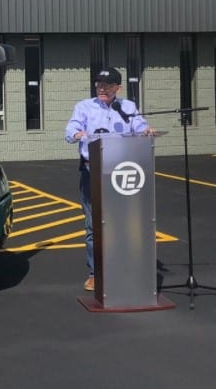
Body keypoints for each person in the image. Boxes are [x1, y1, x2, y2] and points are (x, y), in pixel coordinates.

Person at [64, 67, 153, 292]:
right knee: (94, 225)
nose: (102, 88)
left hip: (121, 173)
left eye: (108, 85)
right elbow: (70, 129)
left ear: (118, 88)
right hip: (91, 171)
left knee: (123, 223)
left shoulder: (128, 107)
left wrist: (145, 131)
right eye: (99, 84)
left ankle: (124, 268)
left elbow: (139, 125)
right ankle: (96, 273)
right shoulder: (84, 107)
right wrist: (78, 134)